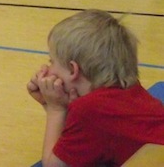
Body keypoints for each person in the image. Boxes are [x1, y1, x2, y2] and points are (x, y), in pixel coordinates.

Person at [28, 10, 164, 166]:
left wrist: (55, 110)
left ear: (73, 70)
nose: (48, 69)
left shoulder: (88, 109)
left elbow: (53, 165)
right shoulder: (130, 89)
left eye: (51, 62)